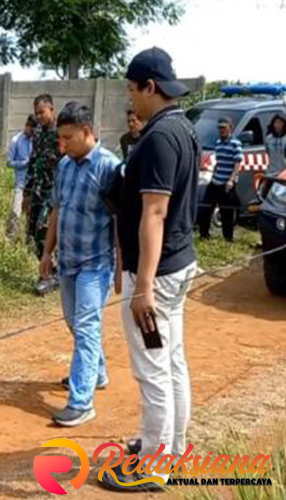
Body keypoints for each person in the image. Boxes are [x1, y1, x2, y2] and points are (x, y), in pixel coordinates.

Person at [101, 47, 200, 493]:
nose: (130, 99)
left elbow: (155, 213)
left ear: (150, 87)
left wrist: (142, 286)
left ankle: (156, 466)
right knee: (171, 359)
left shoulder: (159, 137)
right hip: (178, 262)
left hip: (157, 274)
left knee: (153, 369)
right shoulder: (181, 126)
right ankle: (171, 447)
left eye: (131, 89)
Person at [40, 102, 121, 427]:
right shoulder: (65, 166)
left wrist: (119, 266)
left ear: (87, 132)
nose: (63, 144)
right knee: (75, 323)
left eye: (68, 138)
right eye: (60, 138)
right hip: (68, 261)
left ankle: (81, 402)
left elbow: (119, 219)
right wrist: (47, 253)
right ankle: (97, 372)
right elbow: (57, 211)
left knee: (86, 326)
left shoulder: (110, 167)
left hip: (96, 264)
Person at [27, 94, 63, 293]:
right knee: (32, 231)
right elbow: (32, 161)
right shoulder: (38, 132)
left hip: (54, 191)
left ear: (51, 109)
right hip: (37, 190)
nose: (39, 116)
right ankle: (51, 270)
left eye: (42, 112)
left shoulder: (61, 133)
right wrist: (26, 192)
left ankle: (48, 275)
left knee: (44, 229)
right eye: (36, 113)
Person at [198, 117, 243, 242]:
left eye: (224, 128)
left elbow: (237, 164)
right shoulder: (218, 143)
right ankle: (204, 234)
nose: (221, 130)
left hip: (227, 183)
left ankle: (228, 238)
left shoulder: (235, 143)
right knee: (206, 208)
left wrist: (231, 180)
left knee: (226, 213)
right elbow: (218, 162)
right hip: (216, 180)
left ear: (230, 128)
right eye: (220, 128)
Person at [6, 115, 37, 239]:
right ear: (26, 125)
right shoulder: (16, 140)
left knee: (32, 214)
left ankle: (29, 239)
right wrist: (23, 163)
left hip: (35, 185)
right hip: (20, 184)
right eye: (30, 128)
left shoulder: (38, 140)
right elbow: (8, 162)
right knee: (16, 211)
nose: (32, 131)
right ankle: (10, 239)